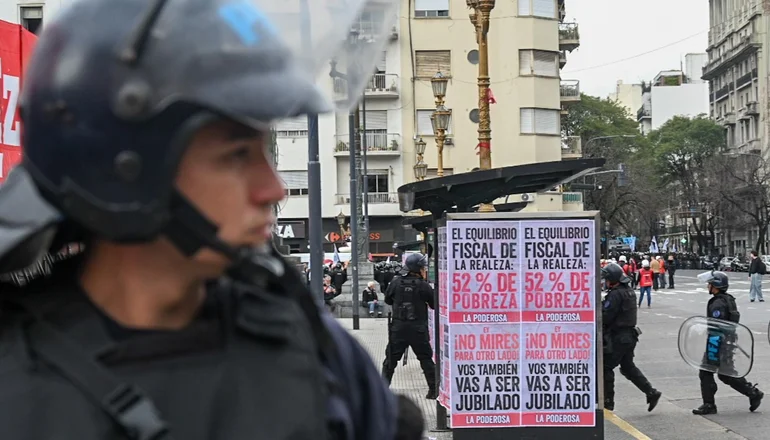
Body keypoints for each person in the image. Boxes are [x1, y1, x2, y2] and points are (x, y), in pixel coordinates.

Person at [0, 0, 424, 439]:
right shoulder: (16, 383)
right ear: (124, 174)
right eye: (236, 155)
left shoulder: (314, 347)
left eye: (264, 150)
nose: (274, 188)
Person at [692, 271, 764, 415]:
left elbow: (717, 326)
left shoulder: (718, 303)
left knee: (706, 372)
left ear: (716, 286)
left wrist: (703, 330)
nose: (708, 286)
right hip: (726, 342)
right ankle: (753, 393)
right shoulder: (727, 299)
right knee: (726, 374)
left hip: (717, 342)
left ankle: (709, 405)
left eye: (710, 284)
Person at [602, 263, 662, 412]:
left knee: (606, 367)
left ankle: (608, 402)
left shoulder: (616, 294)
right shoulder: (628, 291)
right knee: (628, 367)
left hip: (619, 337)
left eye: (607, 279)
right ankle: (651, 392)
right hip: (629, 336)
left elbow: (606, 316)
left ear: (613, 279)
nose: (605, 282)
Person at [382, 253, 437, 399]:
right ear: (418, 268)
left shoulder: (395, 282)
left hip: (398, 328)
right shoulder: (423, 285)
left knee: (390, 361)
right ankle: (433, 391)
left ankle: (381, 392)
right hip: (418, 329)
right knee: (426, 359)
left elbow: (387, 300)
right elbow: (434, 304)